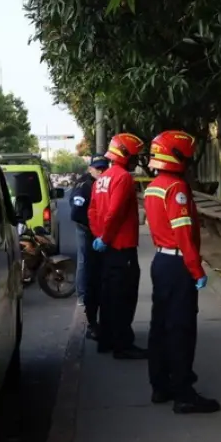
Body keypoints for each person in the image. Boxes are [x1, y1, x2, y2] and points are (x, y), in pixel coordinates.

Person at [143, 130, 220, 414]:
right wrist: (196, 269)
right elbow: (184, 234)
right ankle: (184, 393)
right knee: (181, 329)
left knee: (160, 327)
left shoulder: (153, 186)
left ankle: (160, 385)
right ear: (178, 155)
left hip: (161, 263)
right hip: (177, 265)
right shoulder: (176, 188)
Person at [88, 133, 146, 360]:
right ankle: (123, 344)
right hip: (122, 247)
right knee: (124, 297)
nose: (136, 160)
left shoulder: (102, 178)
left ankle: (107, 340)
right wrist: (107, 236)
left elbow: (92, 210)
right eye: (134, 155)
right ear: (125, 154)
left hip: (107, 247)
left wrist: (99, 236)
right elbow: (115, 212)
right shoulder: (123, 178)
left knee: (109, 296)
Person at [71, 155, 109, 339]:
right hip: (86, 229)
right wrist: (93, 227)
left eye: (103, 168)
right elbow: (77, 213)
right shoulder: (84, 185)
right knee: (85, 261)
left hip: (99, 231)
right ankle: (82, 295)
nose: (101, 172)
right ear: (90, 168)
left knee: (97, 268)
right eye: (97, 168)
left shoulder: (104, 183)